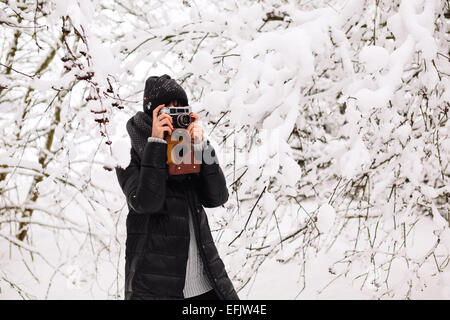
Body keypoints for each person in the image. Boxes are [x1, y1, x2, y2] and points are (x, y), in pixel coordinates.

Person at [115, 74, 240, 300]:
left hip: (205, 281)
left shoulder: (188, 147)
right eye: (168, 110)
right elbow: (144, 203)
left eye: (180, 109)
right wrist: (156, 143)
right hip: (156, 287)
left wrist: (204, 147)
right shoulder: (127, 150)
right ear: (151, 112)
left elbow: (218, 196)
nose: (175, 116)